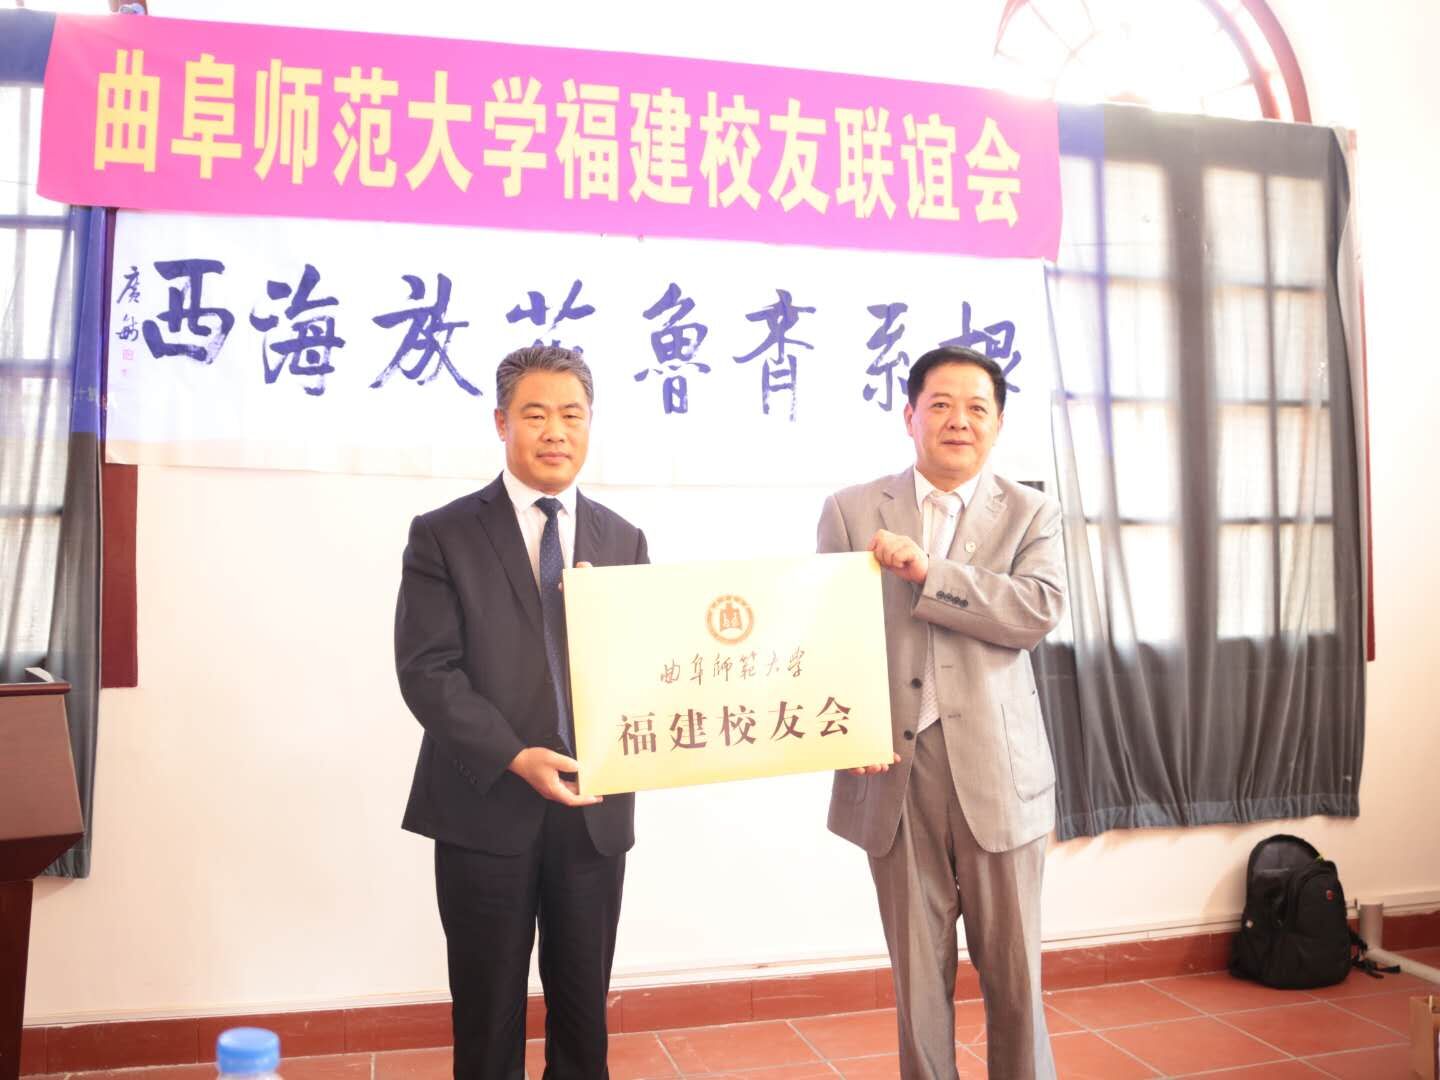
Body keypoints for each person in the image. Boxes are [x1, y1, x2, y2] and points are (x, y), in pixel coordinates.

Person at [394, 345, 648, 1079]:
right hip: (485, 804)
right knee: (487, 1010)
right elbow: (427, 670)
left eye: (572, 415)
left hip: (593, 808)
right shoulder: (443, 533)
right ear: (502, 423)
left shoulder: (622, 538)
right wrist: (513, 755)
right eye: (535, 415)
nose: (555, 432)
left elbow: (647, 668)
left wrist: (606, 624)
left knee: (583, 1011)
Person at [817, 344, 1066, 1080]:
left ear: (997, 424)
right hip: (892, 769)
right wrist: (848, 731)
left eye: (977, 408)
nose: (960, 420)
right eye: (942, 405)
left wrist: (931, 573)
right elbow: (827, 635)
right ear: (910, 415)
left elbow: (1035, 610)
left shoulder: (1032, 512)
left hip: (999, 770)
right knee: (917, 980)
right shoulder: (850, 509)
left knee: (1015, 977)